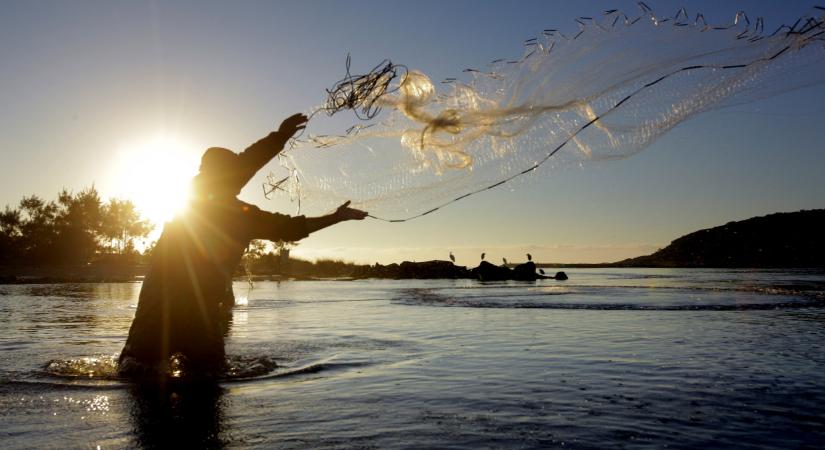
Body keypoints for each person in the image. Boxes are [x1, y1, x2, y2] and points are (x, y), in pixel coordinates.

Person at [119, 113, 367, 377]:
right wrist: (336, 218)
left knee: (137, 374)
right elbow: (293, 226)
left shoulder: (191, 200)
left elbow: (248, 167)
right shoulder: (239, 214)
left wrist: (280, 136)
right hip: (195, 316)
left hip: (158, 311)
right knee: (206, 383)